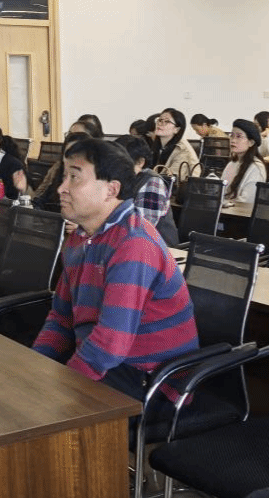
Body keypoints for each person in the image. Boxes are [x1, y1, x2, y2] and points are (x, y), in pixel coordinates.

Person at [32, 137, 198, 399]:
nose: (61, 188)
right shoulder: (80, 237)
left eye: (74, 178)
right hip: (103, 359)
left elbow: (110, 343)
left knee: (41, 408)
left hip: (150, 379)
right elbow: (61, 317)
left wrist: (58, 388)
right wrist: (34, 366)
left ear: (111, 190)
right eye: (64, 177)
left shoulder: (134, 244)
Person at [14, 129, 89, 212]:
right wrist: (25, 191)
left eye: (77, 154)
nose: (71, 159)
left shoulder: (90, 185)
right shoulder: (59, 174)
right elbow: (40, 202)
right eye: (67, 154)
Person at [222, 118, 267, 204]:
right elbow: (221, 191)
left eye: (239, 137)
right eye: (232, 135)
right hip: (226, 209)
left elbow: (247, 201)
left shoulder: (256, 167)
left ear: (251, 142)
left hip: (240, 211)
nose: (233, 140)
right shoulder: (231, 164)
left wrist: (225, 203)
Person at [150, 107, 197, 182]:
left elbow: (172, 179)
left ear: (177, 129)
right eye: (160, 120)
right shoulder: (157, 146)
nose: (160, 124)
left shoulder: (182, 150)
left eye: (167, 121)